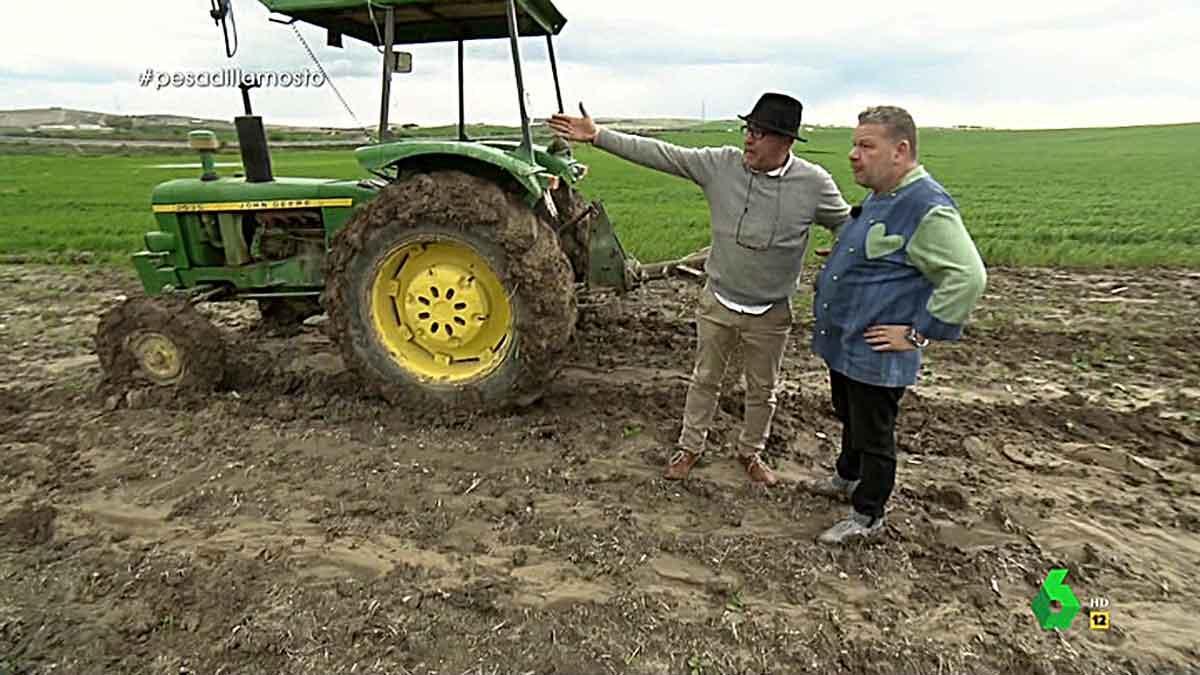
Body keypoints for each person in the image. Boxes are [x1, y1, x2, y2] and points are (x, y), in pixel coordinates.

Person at [549, 93, 851, 486]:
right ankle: (690, 447)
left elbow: (846, 224)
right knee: (705, 379)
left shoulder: (813, 184)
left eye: (759, 133)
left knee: (763, 390)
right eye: (748, 129)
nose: (748, 139)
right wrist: (599, 135)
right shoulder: (722, 165)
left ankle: (751, 453)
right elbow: (663, 154)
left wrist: (842, 253)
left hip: (771, 311)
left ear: (785, 142)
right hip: (719, 302)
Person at [804, 105, 987, 544]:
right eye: (855, 144)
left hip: (877, 351)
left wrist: (918, 332)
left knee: (874, 433)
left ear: (900, 151)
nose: (853, 155)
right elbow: (888, 251)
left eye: (866, 146)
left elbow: (968, 276)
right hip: (849, 342)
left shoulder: (926, 207)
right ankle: (847, 477)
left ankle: (868, 515)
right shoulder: (883, 195)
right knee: (849, 415)